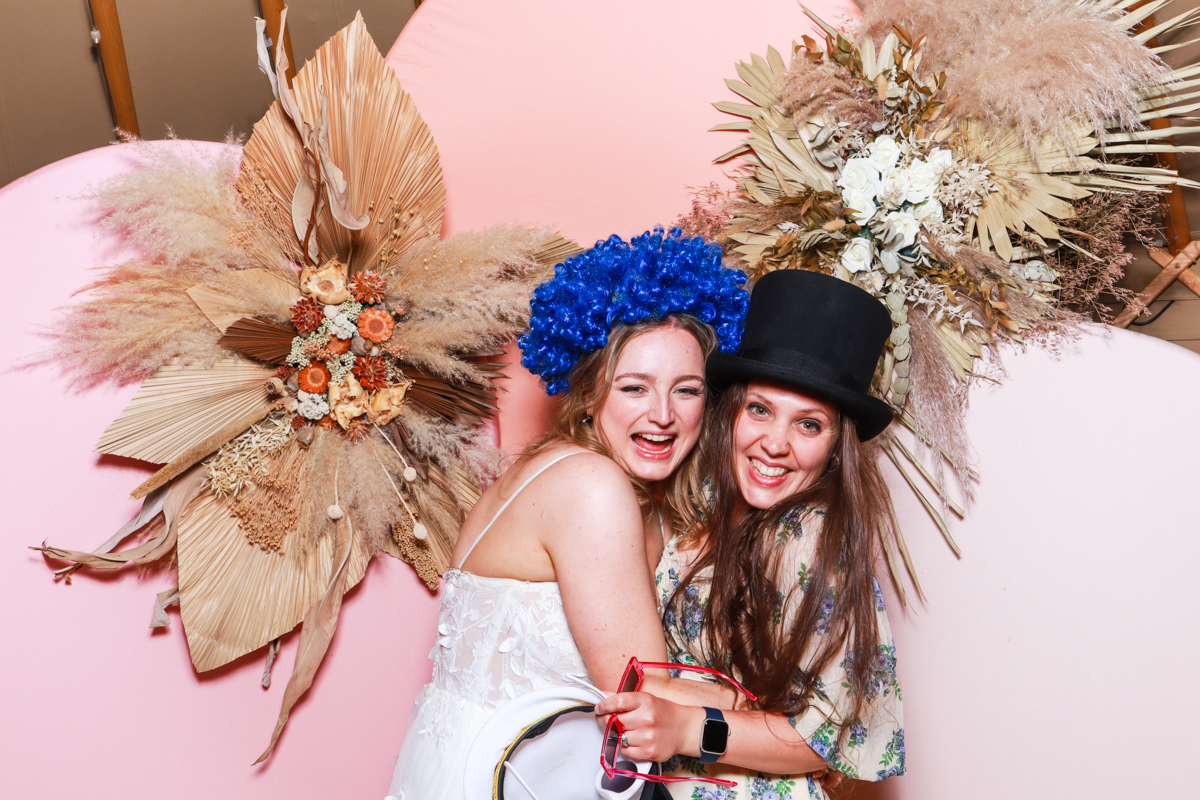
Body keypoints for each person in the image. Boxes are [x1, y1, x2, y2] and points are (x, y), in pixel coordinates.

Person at [385, 229, 749, 800]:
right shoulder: (590, 486)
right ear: (590, 389)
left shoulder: (551, 468)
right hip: (504, 780)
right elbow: (641, 695)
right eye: (634, 387)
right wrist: (779, 714)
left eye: (687, 390)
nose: (662, 415)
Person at [595, 269, 905, 799]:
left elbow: (831, 737)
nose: (775, 444)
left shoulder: (812, 537)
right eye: (760, 410)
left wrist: (691, 727)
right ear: (730, 411)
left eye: (808, 424)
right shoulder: (705, 502)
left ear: (835, 445)